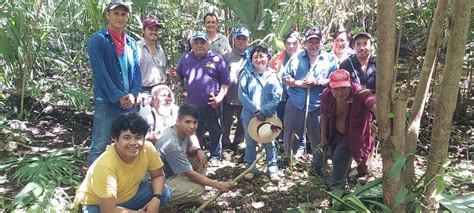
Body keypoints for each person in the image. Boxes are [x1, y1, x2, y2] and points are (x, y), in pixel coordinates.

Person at [75, 113, 172, 212]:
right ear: (115, 139)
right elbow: (108, 210)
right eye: (127, 137)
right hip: (97, 204)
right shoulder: (105, 166)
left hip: (129, 196)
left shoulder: (148, 149)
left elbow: (158, 176)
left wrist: (156, 198)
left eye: (138, 137)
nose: (133, 143)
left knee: (164, 193)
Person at [86, 1, 141, 166]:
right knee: (99, 144)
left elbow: (136, 71)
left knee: (129, 143)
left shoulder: (131, 42)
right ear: (108, 15)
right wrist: (117, 96)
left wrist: (133, 94)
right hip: (106, 102)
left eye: (123, 14)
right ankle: (91, 186)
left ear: (127, 17)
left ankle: (125, 181)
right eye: (115, 13)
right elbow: (100, 73)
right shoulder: (99, 39)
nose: (119, 17)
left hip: (129, 103)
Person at [155, 104, 234, 206]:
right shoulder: (171, 144)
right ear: (178, 121)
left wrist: (199, 150)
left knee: (200, 158)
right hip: (160, 181)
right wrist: (219, 185)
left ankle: (191, 196)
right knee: (198, 189)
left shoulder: (181, 131)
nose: (192, 126)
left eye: (195, 122)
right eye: (187, 122)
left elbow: (191, 145)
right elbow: (190, 174)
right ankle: (163, 204)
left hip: (173, 172)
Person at [169, 32, 230, 163]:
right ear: (192, 45)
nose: (199, 45)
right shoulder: (186, 58)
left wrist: (219, 98)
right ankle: (198, 153)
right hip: (193, 104)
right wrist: (174, 76)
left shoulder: (217, 59)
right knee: (196, 130)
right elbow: (179, 77)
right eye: (196, 43)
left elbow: (226, 82)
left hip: (212, 103)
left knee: (215, 129)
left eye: (202, 42)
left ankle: (215, 156)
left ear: (208, 44)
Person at [282, 27, 337, 163]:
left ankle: (319, 165)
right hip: (296, 102)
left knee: (318, 137)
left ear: (321, 42)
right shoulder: (296, 58)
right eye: (310, 42)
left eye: (316, 42)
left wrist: (318, 82)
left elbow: (334, 79)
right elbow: (285, 77)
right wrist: (300, 83)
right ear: (305, 43)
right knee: (291, 133)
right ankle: (290, 161)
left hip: (318, 105)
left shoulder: (329, 59)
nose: (313, 45)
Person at [317, 69, 376, 189]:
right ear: (330, 87)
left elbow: (372, 103)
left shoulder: (360, 93)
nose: (340, 92)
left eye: (343, 88)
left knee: (339, 157)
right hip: (335, 133)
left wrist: (382, 118)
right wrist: (323, 137)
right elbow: (324, 115)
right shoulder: (327, 94)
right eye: (336, 89)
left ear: (350, 85)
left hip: (354, 135)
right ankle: (342, 181)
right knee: (336, 157)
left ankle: (336, 188)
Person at [238, 45, 282, 182]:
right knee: (250, 142)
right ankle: (251, 168)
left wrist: (264, 110)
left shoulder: (274, 75)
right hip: (249, 116)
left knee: (269, 142)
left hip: (269, 117)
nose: (259, 59)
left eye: (262, 56)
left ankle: (272, 168)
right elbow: (242, 94)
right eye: (255, 57)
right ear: (251, 59)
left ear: (268, 57)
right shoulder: (246, 73)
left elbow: (277, 96)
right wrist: (255, 109)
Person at [269, 30, 302, 147]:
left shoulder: (305, 57)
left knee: (296, 123)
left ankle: (296, 146)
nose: (291, 46)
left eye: (294, 43)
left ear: (300, 43)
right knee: (280, 120)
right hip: (280, 96)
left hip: (298, 96)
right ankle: (280, 145)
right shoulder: (277, 58)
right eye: (288, 43)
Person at [221, 26, 251, 151]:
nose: (241, 41)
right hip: (228, 95)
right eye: (239, 38)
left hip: (244, 96)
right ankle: (225, 144)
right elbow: (221, 74)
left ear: (248, 40)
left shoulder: (251, 55)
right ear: (234, 39)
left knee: (242, 121)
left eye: (244, 39)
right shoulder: (227, 56)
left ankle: (238, 142)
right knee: (225, 122)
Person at [137, 16, 167, 93]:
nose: (154, 32)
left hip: (160, 88)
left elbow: (162, 69)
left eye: (156, 30)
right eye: (150, 29)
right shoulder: (138, 47)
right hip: (144, 90)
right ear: (143, 31)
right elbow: (133, 71)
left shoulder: (160, 49)